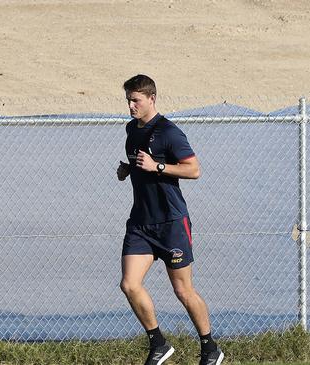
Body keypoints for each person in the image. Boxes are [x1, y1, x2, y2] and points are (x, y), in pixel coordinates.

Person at [116, 74, 224, 365]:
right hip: (141, 223)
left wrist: (157, 166)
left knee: (182, 290)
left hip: (172, 223)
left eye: (136, 100)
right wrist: (129, 169)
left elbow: (194, 170)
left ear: (152, 98)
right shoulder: (131, 129)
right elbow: (142, 164)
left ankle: (210, 348)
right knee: (129, 284)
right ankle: (159, 344)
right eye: (127, 99)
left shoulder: (169, 132)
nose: (130, 105)